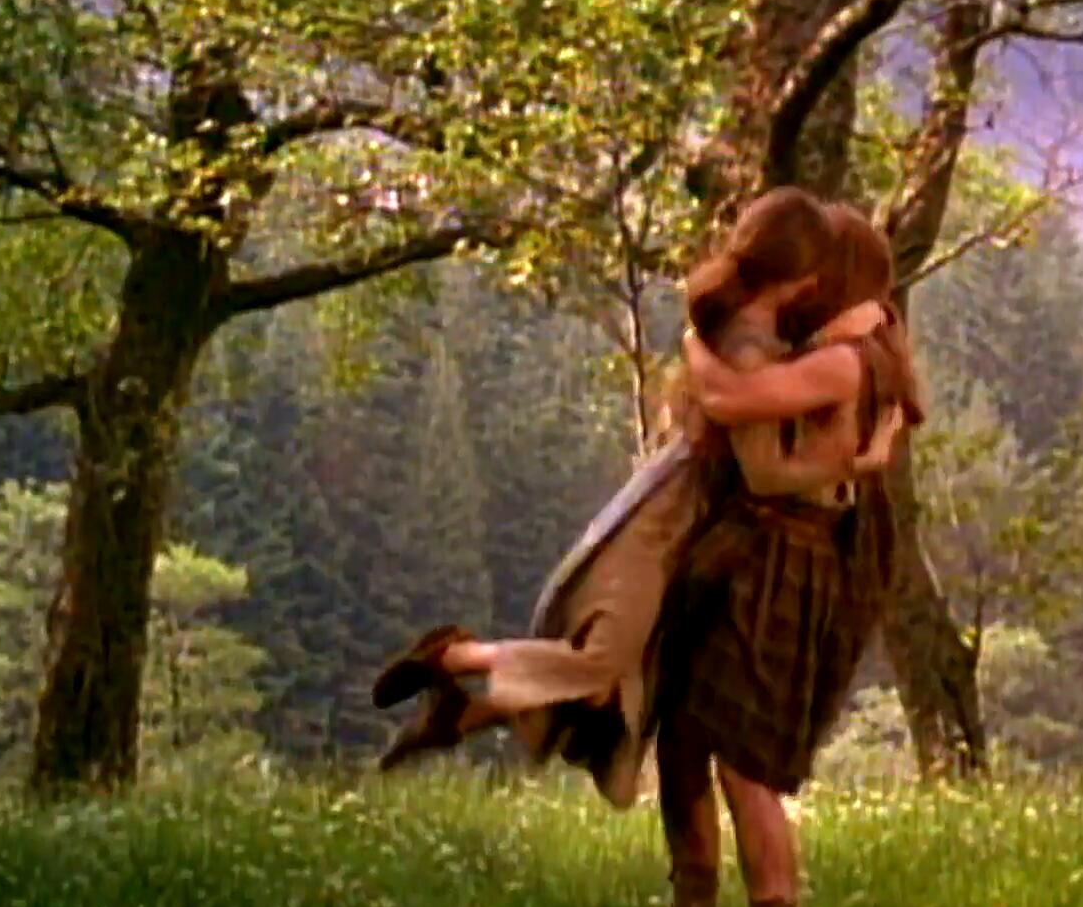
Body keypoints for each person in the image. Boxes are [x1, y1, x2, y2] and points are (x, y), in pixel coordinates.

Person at [368, 188, 902, 811]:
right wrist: (849, 461)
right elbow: (759, 463)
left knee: (611, 689)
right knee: (602, 668)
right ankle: (455, 656)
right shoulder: (751, 345)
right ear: (803, 277)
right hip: (666, 520)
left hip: (689, 527)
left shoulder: (766, 336)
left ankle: (463, 712)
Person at [652, 199, 925, 907]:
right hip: (763, 547)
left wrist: (693, 338)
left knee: (744, 759)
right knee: (687, 734)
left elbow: (733, 401)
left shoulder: (848, 361)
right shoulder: (854, 346)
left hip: (786, 556)